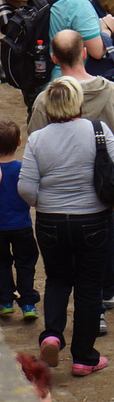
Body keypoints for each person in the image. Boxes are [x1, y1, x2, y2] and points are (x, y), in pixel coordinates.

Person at [18, 76, 114, 375]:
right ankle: (84, 358)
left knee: (56, 280)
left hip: (51, 222)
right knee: (89, 287)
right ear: (78, 101)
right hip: (94, 219)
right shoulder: (98, 131)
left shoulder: (38, 139)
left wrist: (47, 202)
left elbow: (26, 188)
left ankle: (52, 334)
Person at [0, 118, 37, 318]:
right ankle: (28, 302)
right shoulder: (23, 169)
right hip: (22, 225)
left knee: (2, 264)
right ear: (19, 142)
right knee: (26, 263)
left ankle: (5, 300)